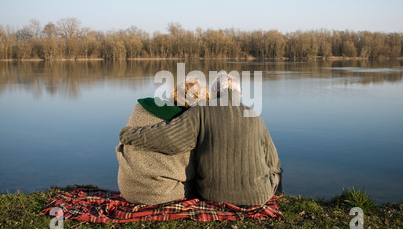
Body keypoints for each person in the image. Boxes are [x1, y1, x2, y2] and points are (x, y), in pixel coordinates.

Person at [119, 72, 282, 206]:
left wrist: (129, 135)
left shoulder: (201, 112)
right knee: (276, 172)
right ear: (239, 94)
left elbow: (167, 138)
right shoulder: (254, 115)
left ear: (213, 92)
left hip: (210, 195)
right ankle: (279, 196)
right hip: (257, 197)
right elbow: (273, 161)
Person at [115, 79, 209, 205]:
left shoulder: (141, 107)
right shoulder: (188, 126)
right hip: (163, 194)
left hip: (128, 189)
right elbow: (194, 168)